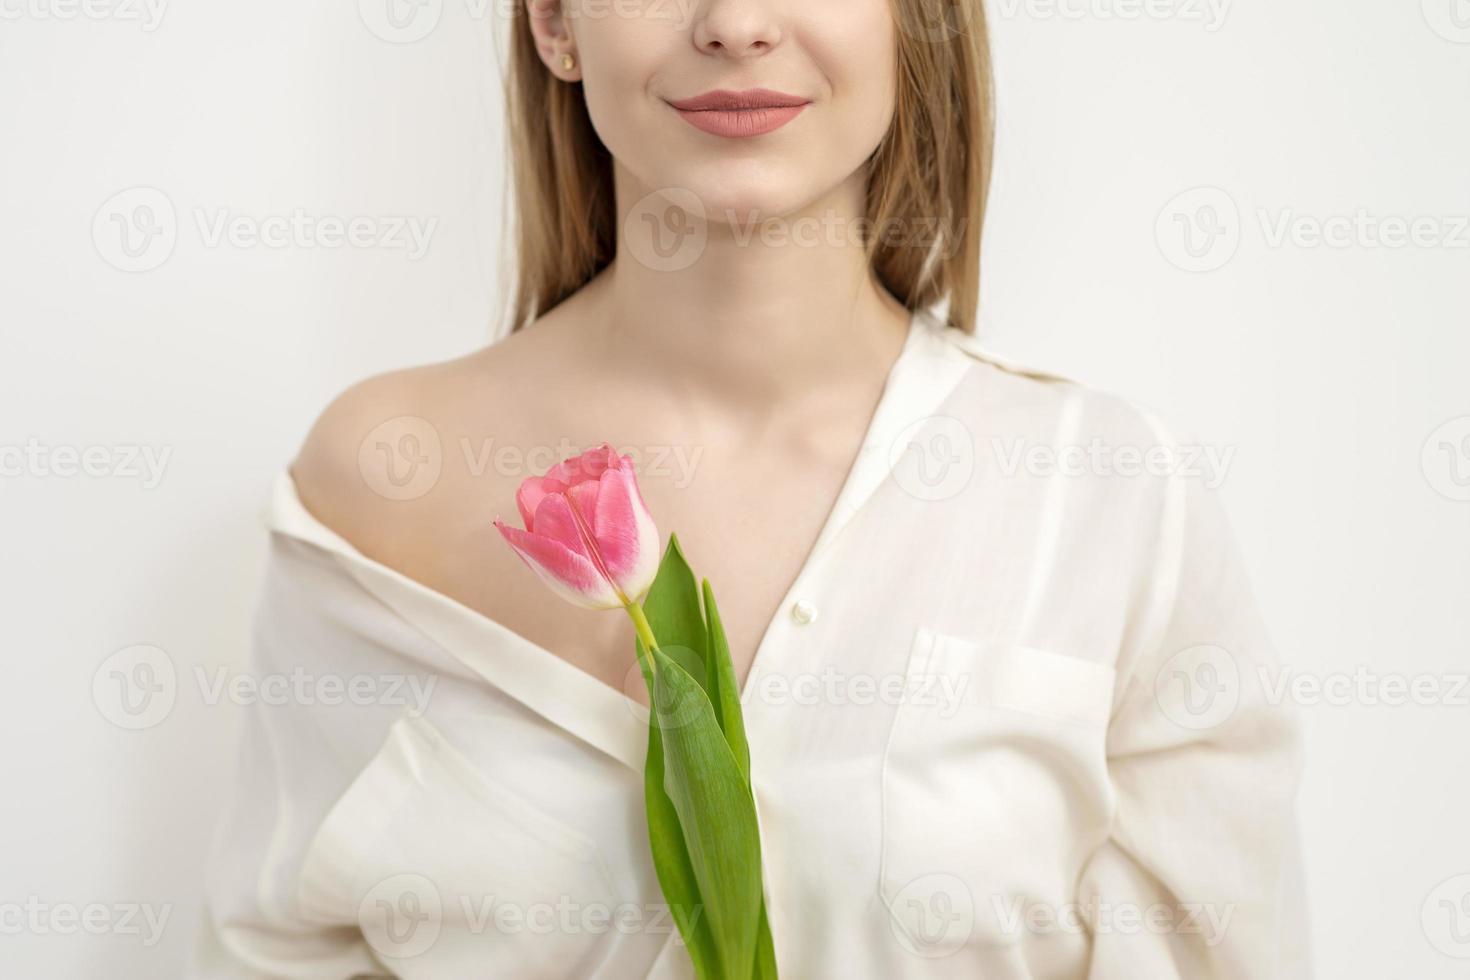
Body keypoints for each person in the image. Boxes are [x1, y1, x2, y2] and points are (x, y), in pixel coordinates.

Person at [194, 0, 1309, 975]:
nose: (735, 21)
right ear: (553, 21)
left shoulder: (1110, 497)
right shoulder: (387, 477)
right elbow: (277, 949)